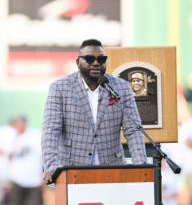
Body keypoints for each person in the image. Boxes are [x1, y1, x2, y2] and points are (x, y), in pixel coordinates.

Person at [42, 39, 147, 183]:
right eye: (90, 59)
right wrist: (51, 167)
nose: (96, 63)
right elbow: (51, 131)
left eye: (101, 59)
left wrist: (140, 167)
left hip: (113, 172)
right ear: (78, 62)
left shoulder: (121, 88)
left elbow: (133, 130)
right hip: (72, 173)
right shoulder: (60, 88)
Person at [8, 116, 44, 205]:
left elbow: (42, 156)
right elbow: (8, 156)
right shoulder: (11, 137)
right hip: (17, 177)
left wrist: (42, 174)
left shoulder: (35, 135)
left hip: (34, 178)